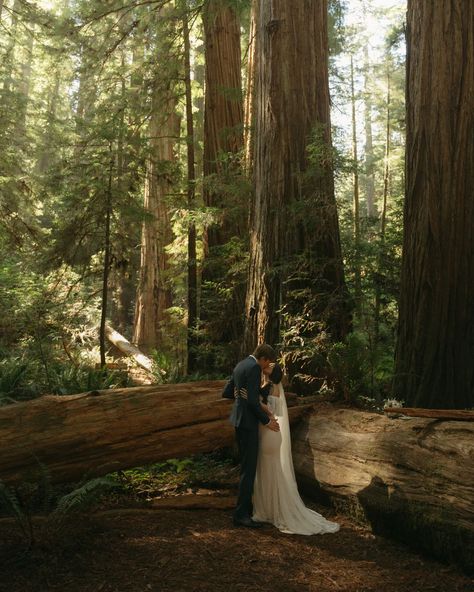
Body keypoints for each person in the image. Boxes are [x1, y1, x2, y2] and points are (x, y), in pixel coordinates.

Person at [252, 363, 340, 535]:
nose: (267, 365)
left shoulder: (274, 389)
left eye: (270, 366)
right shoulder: (268, 386)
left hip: (270, 432)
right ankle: (268, 508)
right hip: (267, 432)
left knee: (270, 468)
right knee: (268, 469)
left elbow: (271, 412)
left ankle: (270, 510)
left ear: (273, 373)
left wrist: (257, 403)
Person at [223, 344, 280, 528]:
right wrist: (266, 421)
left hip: (238, 421)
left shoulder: (240, 365)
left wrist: (243, 396)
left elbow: (227, 392)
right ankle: (241, 515)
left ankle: (245, 510)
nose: (265, 367)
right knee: (248, 470)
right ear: (263, 358)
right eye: (267, 363)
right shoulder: (254, 367)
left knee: (245, 468)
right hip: (248, 424)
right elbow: (254, 403)